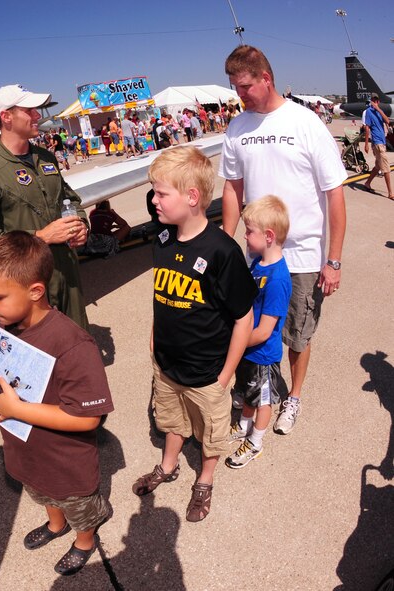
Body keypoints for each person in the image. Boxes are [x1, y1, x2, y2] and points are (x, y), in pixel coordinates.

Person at [0, 232, 114, 576]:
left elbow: (87, 418)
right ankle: (55, 524)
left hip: (66, 462)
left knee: (78, 507)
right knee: (43, 493)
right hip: (26, 451)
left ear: (35, 291)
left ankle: (83, 540)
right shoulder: (7, 326)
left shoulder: (73, 345)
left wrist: (17, 410)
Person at [220, 45, 347, 435]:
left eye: (245, 87)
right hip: (256, 254)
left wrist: (334, 259)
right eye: (234, 87)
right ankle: (261, 394)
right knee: (255, 328)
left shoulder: (304, 122)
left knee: (296, 331)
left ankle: (294, 396)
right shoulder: (237, 128)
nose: (239, 95)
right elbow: (232, 189)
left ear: (266, 79)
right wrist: (226, 247)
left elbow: (335, 194)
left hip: (304, 256)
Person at [132, 146, 256, 522]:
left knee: (211, 431)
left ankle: (204, 479)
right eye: (153, 192)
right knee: (171, 420)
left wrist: (225, 374)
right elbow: (162, 295)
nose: (153, 201)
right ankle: (168, 466)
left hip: (208, 371)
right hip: (167, 363)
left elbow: (244, 317)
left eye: (160, 193)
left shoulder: (222, 251)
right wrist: (155, 338)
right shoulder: (163, 241)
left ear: (192, 197)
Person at [0, 84, 90, 330]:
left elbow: (69, 199)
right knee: (42, 354)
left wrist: (81, 224)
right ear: (6, 117)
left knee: (77, 342)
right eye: (30, 110)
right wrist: (41, 237)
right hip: (27, 285)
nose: (37, 116)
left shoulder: (46, 158)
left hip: (66, 272)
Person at [226, 196, 292, 469]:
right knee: (247, 392)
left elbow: (265, 330)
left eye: (249, 231)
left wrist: (235, 345)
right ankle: (243, 425)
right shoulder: (257, 264)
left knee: (263, 400)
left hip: (262, 353)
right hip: (248, 349)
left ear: (268, 236)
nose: (244, 235)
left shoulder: (277, 278)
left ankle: (256, 441)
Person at [363, 94, 393, 200]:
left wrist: (378, 109)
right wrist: (366, 143)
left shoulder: (379, 112)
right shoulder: (368, 112)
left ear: (378, 101)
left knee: (378, 166)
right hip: (377, 143)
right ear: (371, 101)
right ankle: (390, 193)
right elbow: (367, 128)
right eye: (373, 100)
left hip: (382, 142)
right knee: (386, 168)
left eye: (376, 100)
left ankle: (367, 183)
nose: (375, 102)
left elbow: (388, 121)